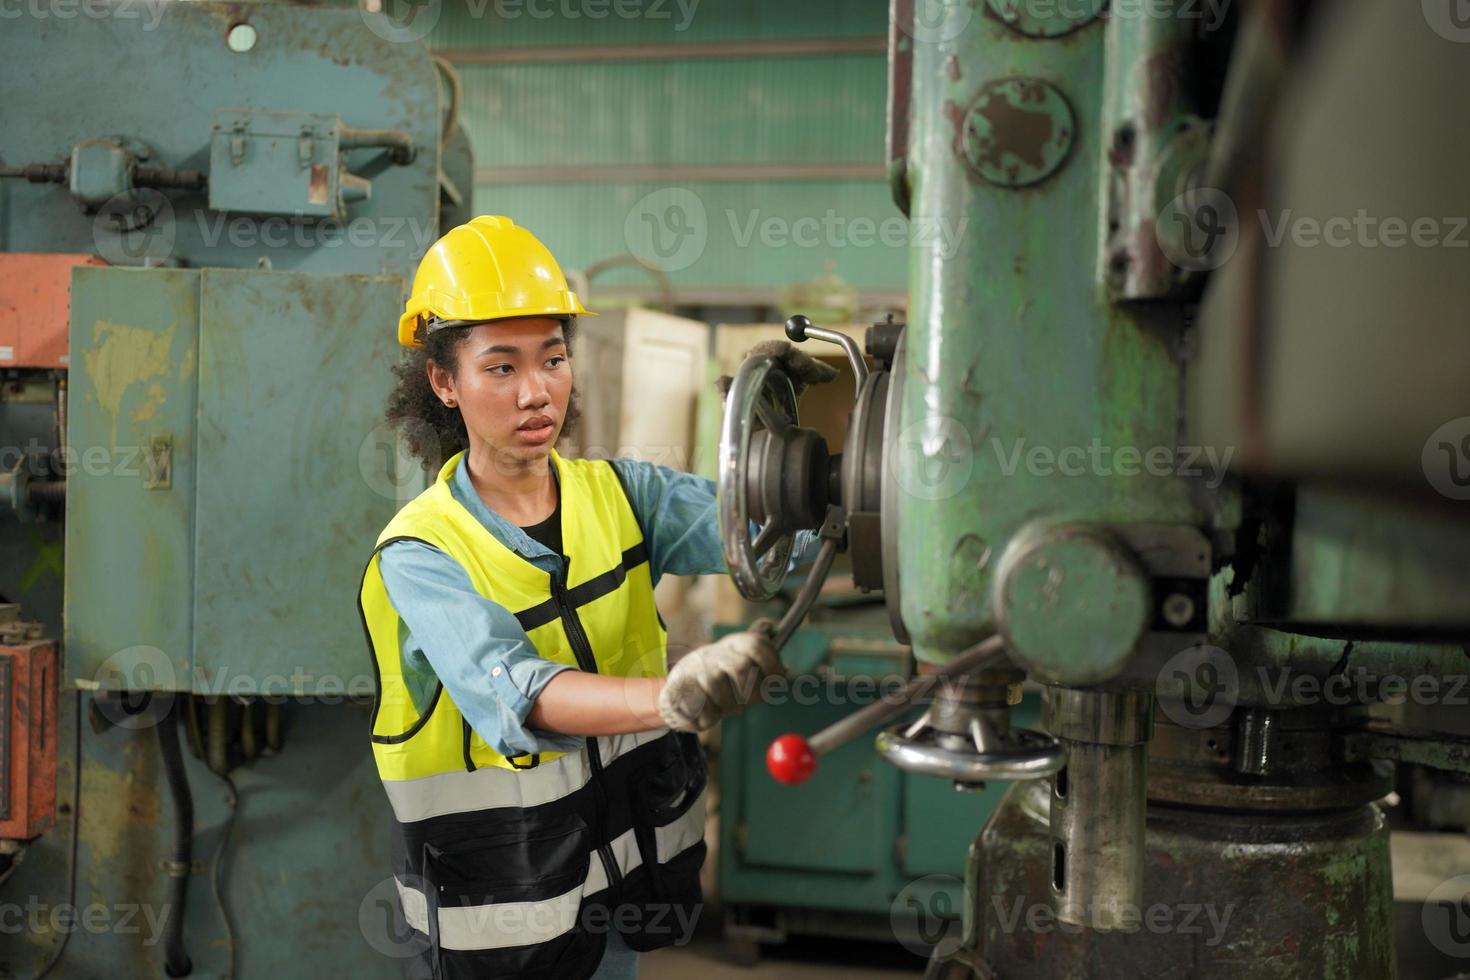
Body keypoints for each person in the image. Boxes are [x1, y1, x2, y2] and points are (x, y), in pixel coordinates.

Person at [357, 215, 836, 979]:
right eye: (501, 368)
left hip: (616, 890)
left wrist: (805, 458)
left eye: (552, 359)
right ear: (444, 383)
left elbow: (774, 530)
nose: (536, 392)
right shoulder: (421, 554)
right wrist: (671, 695)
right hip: (498, 924)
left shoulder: (623, 494)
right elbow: (520, 691)